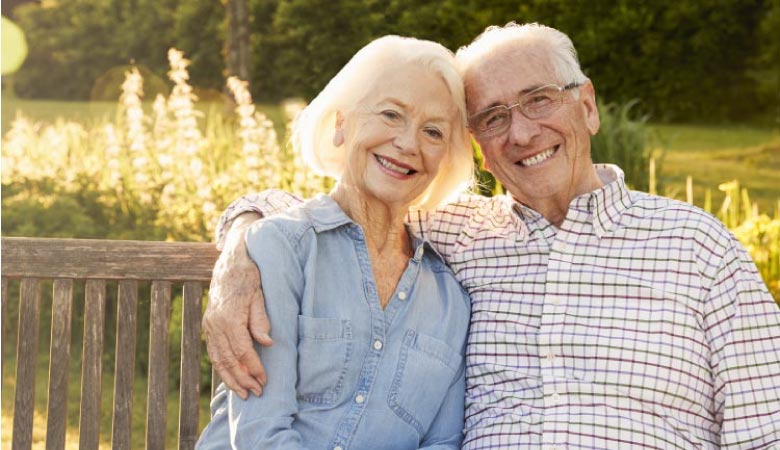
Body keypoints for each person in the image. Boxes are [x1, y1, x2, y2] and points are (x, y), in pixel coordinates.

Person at [204, 23, 780, 449]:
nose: (523, 132)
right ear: (477, 142)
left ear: (587, 106)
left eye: (539, 100)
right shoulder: (462, 236)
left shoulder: (698, 247)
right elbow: (337, 211)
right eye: (493, 117)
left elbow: (766, 430)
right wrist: (240, 248)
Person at [196, 35, 475, 449]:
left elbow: (442, 443)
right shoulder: (281, 248)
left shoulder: (452, 298)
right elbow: (259, 434)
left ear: (445, 158)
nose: (408, 144)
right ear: (341, 123)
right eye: (391, 114)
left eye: (433, 132)